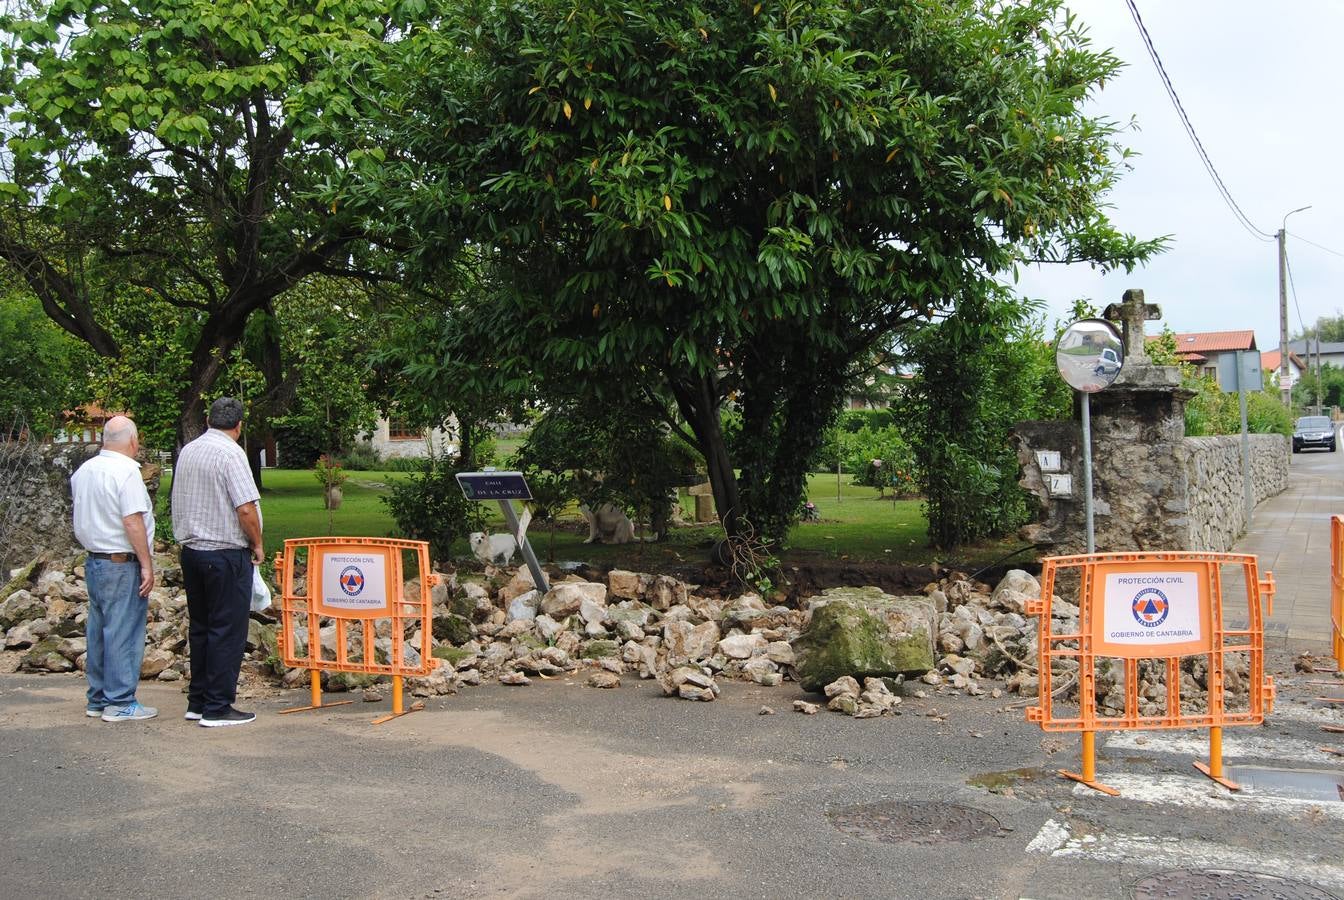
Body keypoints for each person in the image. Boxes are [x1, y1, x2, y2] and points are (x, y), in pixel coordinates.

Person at [172, 397, 263, 727]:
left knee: (202, 627)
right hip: (224, 553)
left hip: (193, 552)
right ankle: (217, 706)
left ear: (210, 420)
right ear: (239, 426)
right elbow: (245, 509)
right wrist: (258, 543)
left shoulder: (190, 450)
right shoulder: (231, 453)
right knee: (227, 630)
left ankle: (198, 700)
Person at [70, 415, 157, 722]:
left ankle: (97, 698)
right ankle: (120, 701)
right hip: (121, 561)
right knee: (123, 630)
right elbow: (132, 520)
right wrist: (147, 564)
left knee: (99, 630)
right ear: (133, 442)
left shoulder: (85, 470)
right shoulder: (126, 472)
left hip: (95, 559)